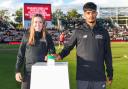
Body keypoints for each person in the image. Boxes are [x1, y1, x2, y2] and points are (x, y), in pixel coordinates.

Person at [55, 2, 113, 89]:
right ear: (84, 14)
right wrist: (60, 55)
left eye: (93, 12)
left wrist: (110, 73)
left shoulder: (104, 32)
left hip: (99, 77)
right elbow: (68, 47)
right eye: (88, 13)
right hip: (83, 77)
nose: (91, 15)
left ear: (96, 13)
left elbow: (108, 54)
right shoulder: (78, 31)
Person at [15, 14, 56, 89]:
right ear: (32, 23)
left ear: (43, 24)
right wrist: (17, 71)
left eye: (40, 22)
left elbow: (52, 51)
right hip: (28, 72)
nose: (38, 24)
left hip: (43, 72)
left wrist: (50, 55)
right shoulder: (26, 36)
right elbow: (20, 54)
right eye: (35, 22)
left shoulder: (47, 36)